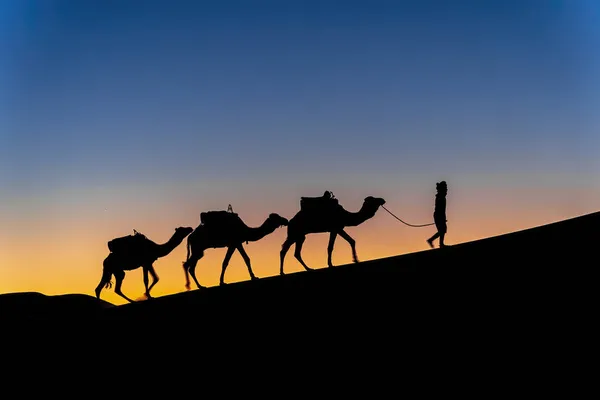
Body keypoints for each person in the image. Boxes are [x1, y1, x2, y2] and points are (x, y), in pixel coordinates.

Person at [427, 181, 448, 248]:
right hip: (439, 215)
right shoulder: (440, 197)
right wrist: (442, 218)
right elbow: (440, 209)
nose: (446, 190)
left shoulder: (441, 197)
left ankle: (440, 243)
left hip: (439, 215)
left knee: (442, 230)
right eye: (445, 189)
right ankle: (433, 240)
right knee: (442, 230)